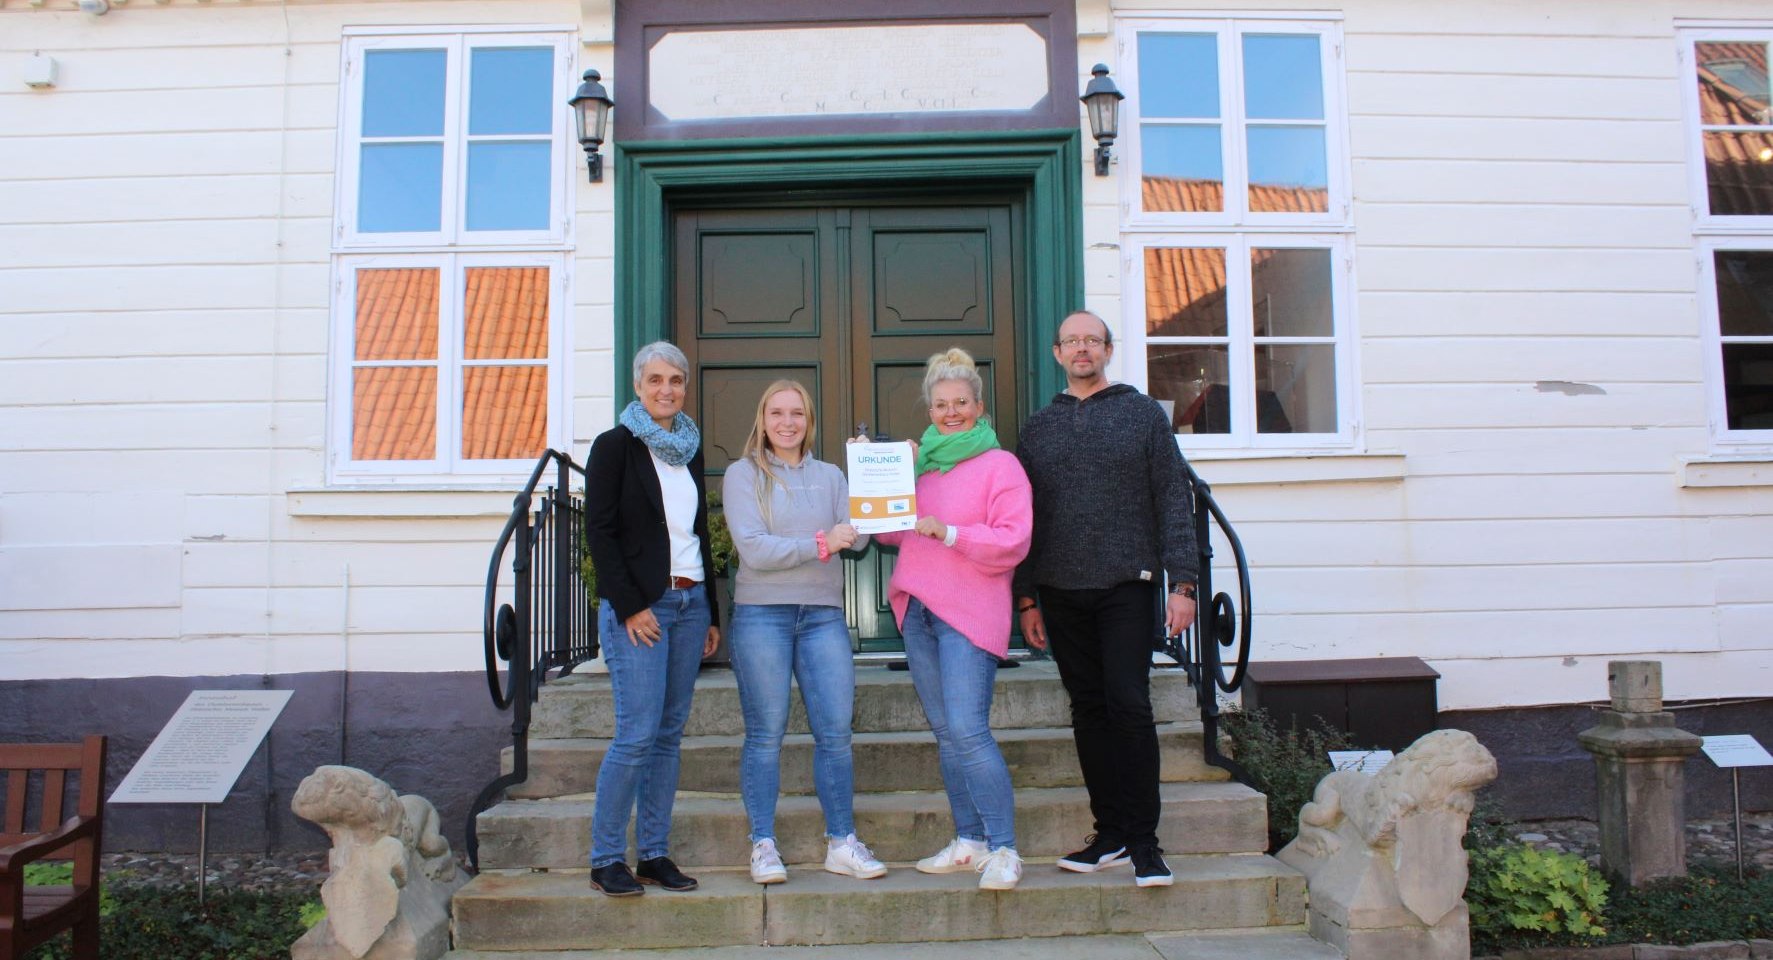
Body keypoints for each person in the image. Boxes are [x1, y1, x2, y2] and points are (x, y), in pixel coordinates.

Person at [1013, 310, 1198, 889]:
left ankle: (1145, 841)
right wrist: (1025, 600)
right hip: (1061, 590)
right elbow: (1022, 520)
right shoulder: (1038, 427)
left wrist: (1184, 583)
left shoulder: (1142, 414)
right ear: (1057, 353)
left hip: (1128, 582)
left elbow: (1173, 497)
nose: (1082, 349)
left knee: (1129, 704)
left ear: (1108, 350)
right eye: (1072, 341)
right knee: (1088, 710)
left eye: (1093, 340)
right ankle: (1110, 832)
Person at [870, 348, 1033, 891]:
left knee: (967, 729)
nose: (951, 412)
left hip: (968, 614)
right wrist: (875, 474)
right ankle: (970, 840)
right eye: (941, 404)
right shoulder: (920, 465)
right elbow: (890, 532)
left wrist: (953, 533)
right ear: (930, 408)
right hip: (919, 610)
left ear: (979, 406)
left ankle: (1005, 847)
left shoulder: (1001, 465)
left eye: (961, 402)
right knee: (946, 733)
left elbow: (1013, 541)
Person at [721, 380, 887, 885]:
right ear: (763, 418)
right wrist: (820, 542)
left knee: (835, 734)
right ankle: (763, 844)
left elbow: (856, 542)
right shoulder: (742, 474)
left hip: (822, 615)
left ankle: (841, 842)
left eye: (797, 413)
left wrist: (867, 482)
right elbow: (753, 549)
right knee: (765, 735)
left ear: (808, 420)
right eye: (777, 413)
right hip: (762, 615)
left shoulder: (832, 475)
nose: (787, 422)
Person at [583, 341, 722, 898]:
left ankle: (654, 853)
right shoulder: (614, 446)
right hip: (642, 609)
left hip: (689, 608)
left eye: (677, 380)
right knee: (637, 734)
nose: (667, 389)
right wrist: (630, 605)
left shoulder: (689, 451)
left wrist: (711, 608)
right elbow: (600, 531)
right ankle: (605, 857)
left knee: (668, 735)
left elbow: (697, 539)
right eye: (656, 380)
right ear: (638, 386)